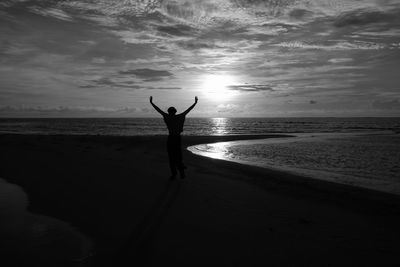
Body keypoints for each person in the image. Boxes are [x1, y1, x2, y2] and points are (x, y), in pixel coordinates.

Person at [150, 96, 198, 180]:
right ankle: (180, 171)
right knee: (178, 156)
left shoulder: (167, 116)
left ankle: (175, 173)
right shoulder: (180, 116)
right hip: (177, 138)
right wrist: (195, 103)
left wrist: (151, 103)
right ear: (175, 112)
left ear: (169, 112)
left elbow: (158, 110)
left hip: (171, 138)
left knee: (172, 156)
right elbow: (189, 109)